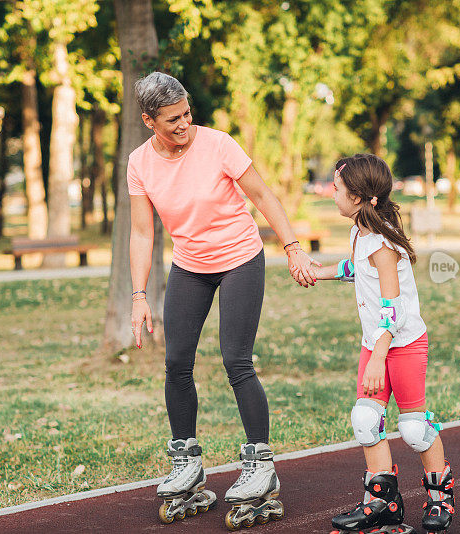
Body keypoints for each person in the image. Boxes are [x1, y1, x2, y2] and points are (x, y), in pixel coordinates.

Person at [127, 72, 320, 527]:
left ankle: (261, 466)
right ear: (148, 120)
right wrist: (139, 295)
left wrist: (292, 248)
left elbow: (262, 194)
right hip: (190, 265)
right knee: (176, 363)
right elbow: (141, 231)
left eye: (187, 113)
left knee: (236, 360)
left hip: (239, 258)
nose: (184, 124)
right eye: (172, 118)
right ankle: (187, 461)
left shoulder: (217, 144)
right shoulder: (139, 162)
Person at [309, 154, 455, 534]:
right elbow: (357, 268)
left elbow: (392, 307)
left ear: (358, 197)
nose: (332, 194)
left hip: (401, 344)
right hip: (374, 344)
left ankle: (440, 496)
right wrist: (318, 273)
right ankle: (381, 503)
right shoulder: (361, 231)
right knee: (365, 421)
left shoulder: (381, 241)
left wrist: (378, 356)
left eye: (337, 189)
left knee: (413, 428)